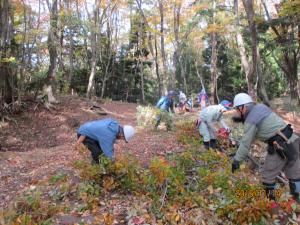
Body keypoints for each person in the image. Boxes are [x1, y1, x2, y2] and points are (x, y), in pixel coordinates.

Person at [231, 93, 300, 202]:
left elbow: (246, 143)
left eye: (236, 109)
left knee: (267, 175)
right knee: (294, 173)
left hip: (280, 146)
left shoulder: (251, 120)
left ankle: (271, 205)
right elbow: (263, 125)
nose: (236, 112)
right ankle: (296, 202)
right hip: (293, 139)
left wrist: (236, 160)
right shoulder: (261, 107)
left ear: (242, 107)